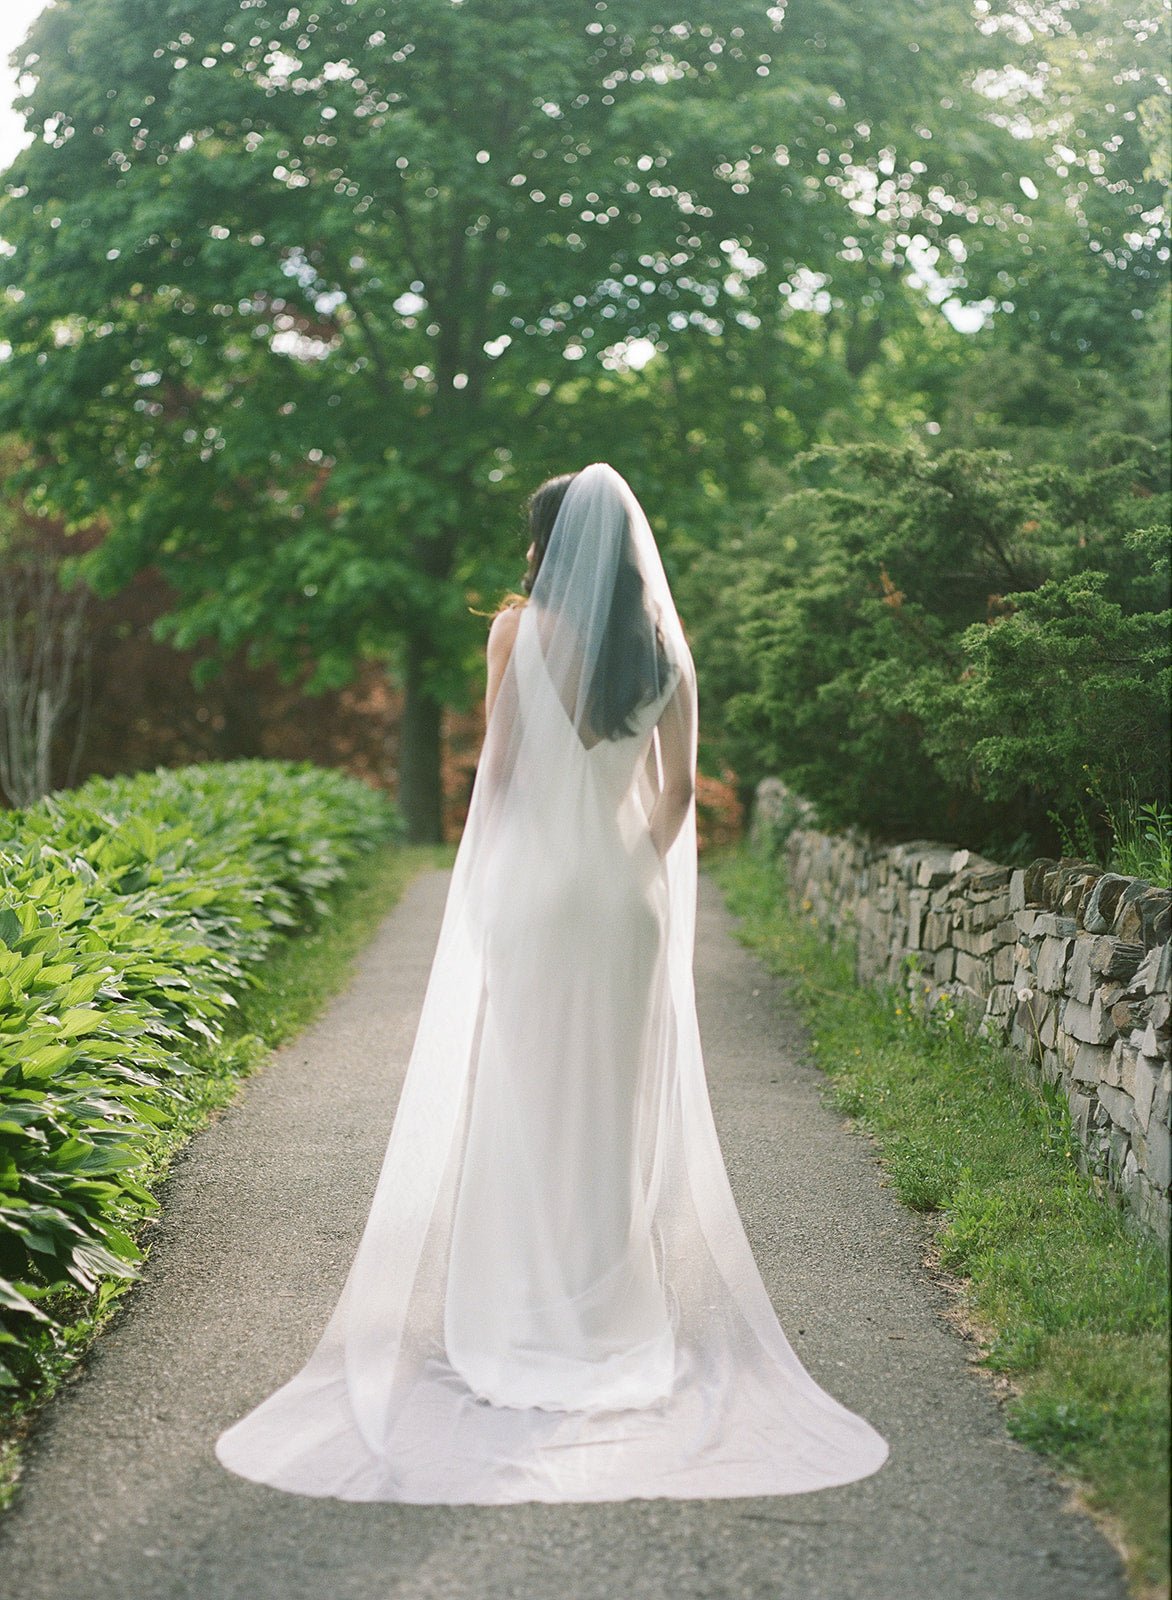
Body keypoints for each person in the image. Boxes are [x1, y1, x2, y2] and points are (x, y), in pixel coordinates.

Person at [215, 462, 888, 1503]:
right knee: (608, 1108)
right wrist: (620, 863)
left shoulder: (514, 634)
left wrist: (496, 887)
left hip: (535, 895)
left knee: (524, 1101)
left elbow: (503, 778)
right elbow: (678, 805)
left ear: (544, 542)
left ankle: (517, 1318)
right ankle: (608, 1318)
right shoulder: (667, 652)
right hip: (621, 905)